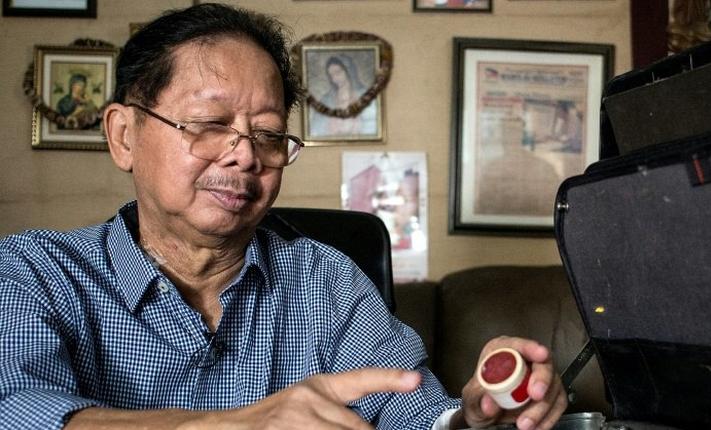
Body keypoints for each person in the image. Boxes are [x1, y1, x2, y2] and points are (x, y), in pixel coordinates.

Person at [0, 4, 566, 429]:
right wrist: (233, 425)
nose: (245, 154)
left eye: (268, 134)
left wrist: (475, 418)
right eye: (208, 123)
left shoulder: (329, 282)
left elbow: (414, 413)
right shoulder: (35, 271)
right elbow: (18, 409)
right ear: (124, 135)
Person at [308, 55, 378, 138]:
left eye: (338, 72)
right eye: (331, 75)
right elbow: (315, 129)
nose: (335, 78)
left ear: (349, 71)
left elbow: (373, 124)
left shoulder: (365, 95)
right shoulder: (327, 100)